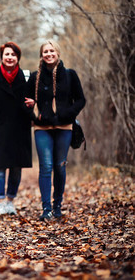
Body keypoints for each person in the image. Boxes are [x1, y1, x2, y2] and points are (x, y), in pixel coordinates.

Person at [24, 40, 86, 220]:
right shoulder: (35, 77)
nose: (49, 54)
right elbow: (25, 102)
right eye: (45, 51)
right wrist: (35, 115)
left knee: (59, 166)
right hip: (42, 128)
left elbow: (81, 100)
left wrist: (67, 114)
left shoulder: (70, 75)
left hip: (64, 127)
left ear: (57, 53)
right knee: (46, 166)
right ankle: (46, 209)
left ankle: (57, 206)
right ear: (41, 55)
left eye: (52, 51)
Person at [0, 42, 32, 216]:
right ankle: (0, 202)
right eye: (6, 54)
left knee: (16, 168)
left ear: (18, 58)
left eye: (13, 55)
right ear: (2, 57)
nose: (9, 57)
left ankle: (10, 201)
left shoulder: (26, 77)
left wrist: (33, 104)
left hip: (20, 129)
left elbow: (33, 99)